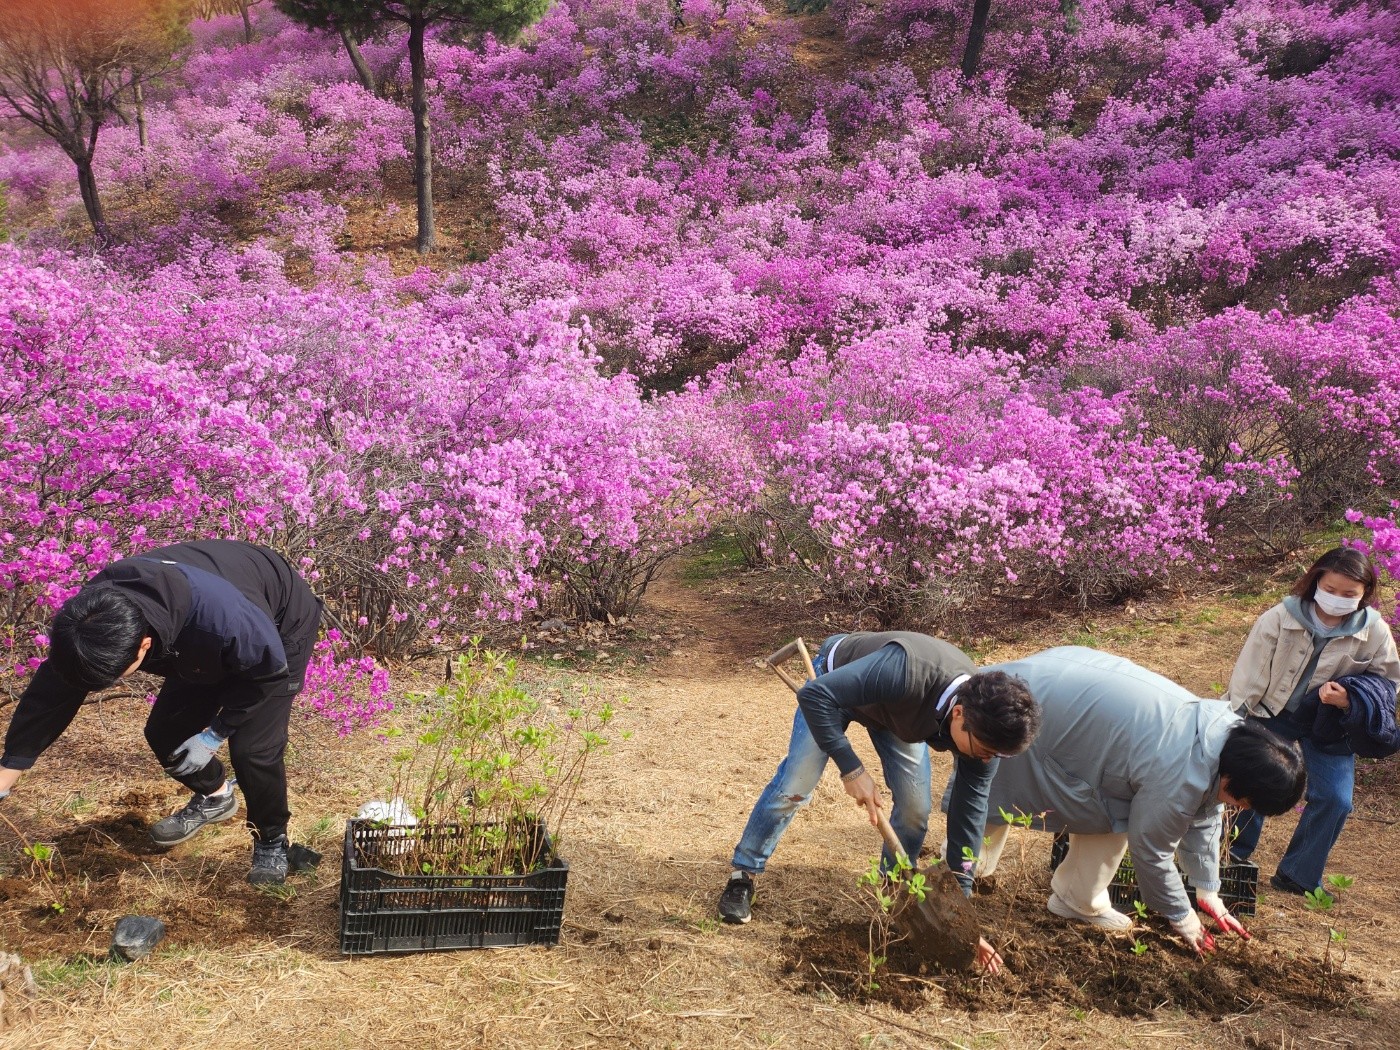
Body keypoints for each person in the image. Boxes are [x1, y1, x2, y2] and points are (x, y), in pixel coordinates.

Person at [0, 540, 323, 885]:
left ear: (143, 647)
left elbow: (266, 672)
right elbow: (52, 694)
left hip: (277, 624)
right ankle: (215, 797)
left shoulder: (220, 621)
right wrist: (8, 771)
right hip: (198, 632)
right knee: (167, 732)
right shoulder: (89, 621)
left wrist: (216, 733)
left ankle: (272, 840)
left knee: (252, 750)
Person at [718, 630, 1041, 973]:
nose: (988, 760)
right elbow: (815, 696)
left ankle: (893, 896)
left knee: (916, 809)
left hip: (896, 715)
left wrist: (959, 908)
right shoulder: (906, 671)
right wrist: (852, 769)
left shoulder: (987, 739)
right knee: (795, 786)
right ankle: (743, 874)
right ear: (959, 713)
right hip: (833, 686)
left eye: (998, 755)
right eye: (986, 751)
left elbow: (969, 812)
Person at [949, 647, 1305, 953]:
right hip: (1035, 702)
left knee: (1111, 810)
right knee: (999, 785)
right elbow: (1151, 848)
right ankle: (962, 874)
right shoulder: (1180, 769)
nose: (1240, 809)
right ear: (1238, 779)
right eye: (1246, 802)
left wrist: (1207, 889)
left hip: (1070, 684)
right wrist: (1183, 917)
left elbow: (1205, 812)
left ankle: (1076, 899)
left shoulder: (1222, 737)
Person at [1223, 546, 1400, 896]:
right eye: (1331, 590)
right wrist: (1238, 719)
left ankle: (1298, 874)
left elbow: (1388, 682)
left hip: (1328, 724)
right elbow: (1250, 672)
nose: (1337, 599)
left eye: (1349, 594)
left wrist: (1349, 700)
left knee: (1336, 799)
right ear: (1316, 581)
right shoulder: (1281, 616)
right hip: (1273, 714)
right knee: (1253, 780)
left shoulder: (1374, 630)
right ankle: (1231, 857)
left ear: (1365, 595)